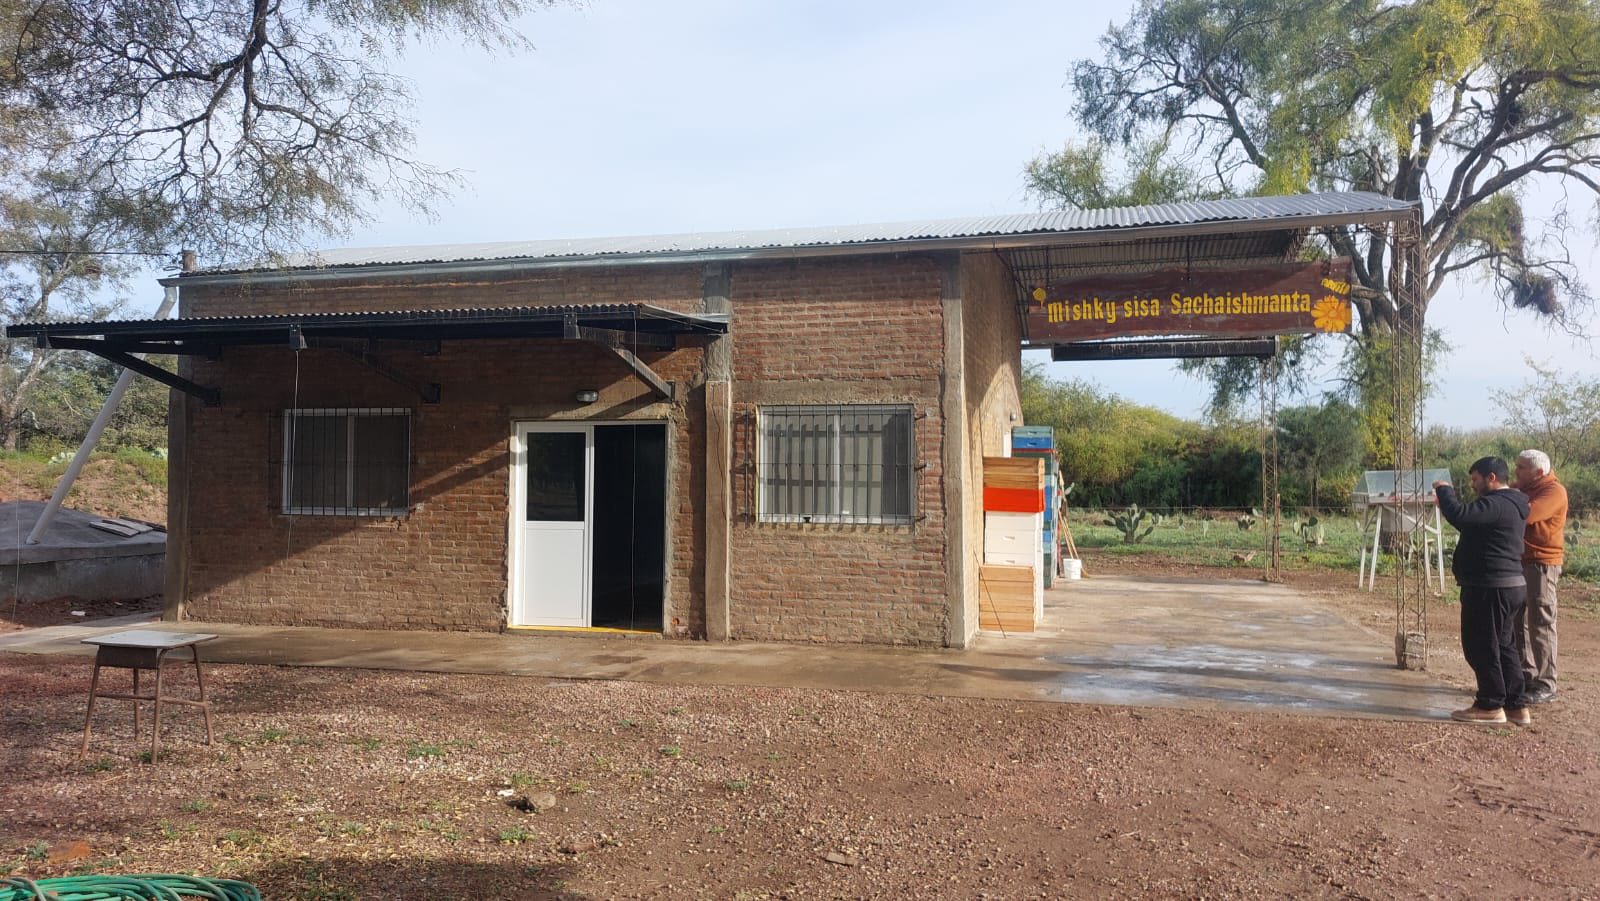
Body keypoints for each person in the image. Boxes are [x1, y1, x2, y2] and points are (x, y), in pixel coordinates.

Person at [1433, 457, 1531, 725]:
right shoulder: (1514, 503)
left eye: (1476, 480)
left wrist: (1444, 490)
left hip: (1491, 587)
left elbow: (1460, 516)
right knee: (1504, 645)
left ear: (1491, 478)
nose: (1473, 486)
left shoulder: (1497, 503)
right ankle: (1515, 705)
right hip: (1509, 585)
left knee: (1481, 645)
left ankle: (1490, 704)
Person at [1513, 449, 1567, 704]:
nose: (1516, 472)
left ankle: (1546, 682)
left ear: (1539, 472)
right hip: (1522, 562)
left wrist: (1506, 500)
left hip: (1542, 565)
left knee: (1541, 623)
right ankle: (1526, 675)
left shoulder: (1553, 491)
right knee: (1519, 621)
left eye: (1521, 467)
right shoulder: (1523, 488)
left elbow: (1528, 514)